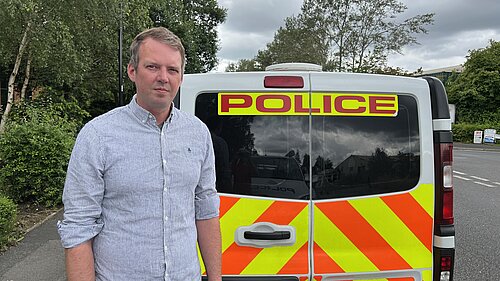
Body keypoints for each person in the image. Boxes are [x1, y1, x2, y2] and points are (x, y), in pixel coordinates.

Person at [57, 27, 222, 281]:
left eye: (172, 69)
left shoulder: (198, 134)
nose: (163, 78)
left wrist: (215, 278)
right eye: (153, 67)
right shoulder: (97, 136)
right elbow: (78, 227)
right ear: (132, 71)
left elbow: (207, 211)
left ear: (181, 77)